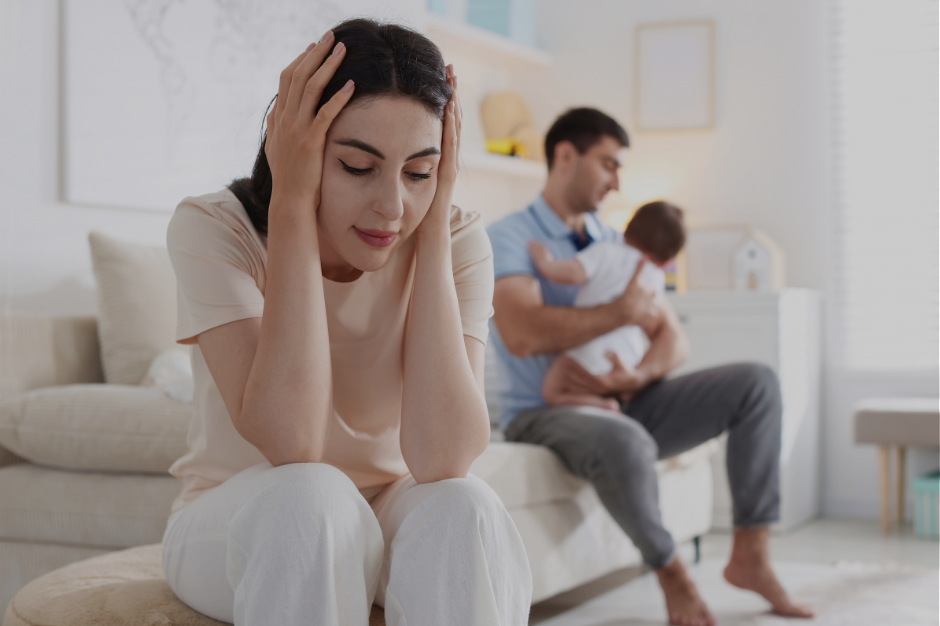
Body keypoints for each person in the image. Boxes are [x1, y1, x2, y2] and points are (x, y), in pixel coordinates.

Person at [160, 19, 531, 626]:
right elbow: (292, 443)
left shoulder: (455, 237)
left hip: (388, 512)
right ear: (295, 145)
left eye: (419, 172)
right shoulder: (215, 228)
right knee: (310, 497)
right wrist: (291, 205)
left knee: (466, 503)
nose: (392, 206)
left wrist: (434, 233)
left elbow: (445, 457)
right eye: (358, 167)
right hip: (245, 516)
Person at [486, 107, 814, 626]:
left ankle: (752, 557)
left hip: (624, 396)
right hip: (543, 411)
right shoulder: (510, 237)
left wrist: (634, 377)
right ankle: (673, 575)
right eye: (609, 164)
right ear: (566, 156)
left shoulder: (615, 242)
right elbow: (522, 333)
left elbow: (673, 339)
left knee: (757, 383)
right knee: (625, 438)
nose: (617, 182)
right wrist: (620, 312)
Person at [529, 200, 686, 411]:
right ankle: (621, 396)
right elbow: (651, 319)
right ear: (666, 261)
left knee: (551, 391)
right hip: (627, 360)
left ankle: (602, 405)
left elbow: (572, 274)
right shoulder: (656, 278)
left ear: (627, 230)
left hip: (587, 353)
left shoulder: (605, 251)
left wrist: (545, 262)